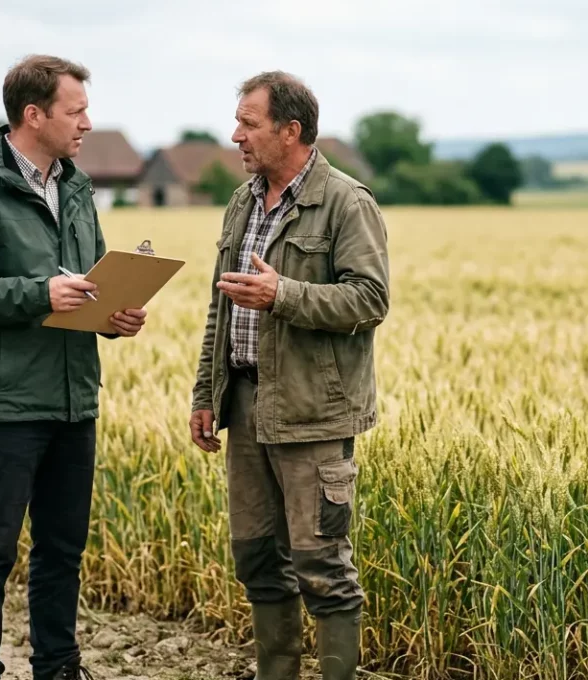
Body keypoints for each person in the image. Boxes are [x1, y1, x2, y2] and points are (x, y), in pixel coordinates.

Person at [0, 54, 148, 680]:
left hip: (74, 397)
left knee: (62, 552)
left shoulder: (75, 188)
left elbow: (94, 279)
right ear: (34, 114)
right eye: (75, 111)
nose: (86, 122)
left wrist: (114, 315)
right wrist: (38, 294)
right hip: (3, 404)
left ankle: (58, 669)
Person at [189, 71, 390, 680]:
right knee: (256, 560)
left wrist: (284, 295)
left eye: (249, 125)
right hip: (246, 407)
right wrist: (207, 393)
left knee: (323, 567)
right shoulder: (243, 201)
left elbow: (369, 300)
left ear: (291, 130)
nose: (235, 137)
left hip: (314, 414)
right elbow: (219, 309)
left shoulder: (346, 202)